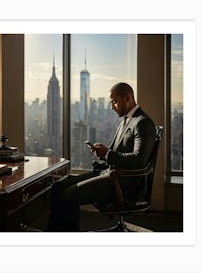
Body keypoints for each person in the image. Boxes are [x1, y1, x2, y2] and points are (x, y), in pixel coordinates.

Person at [46, 82, 156, 232]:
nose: (112, 107)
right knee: (58, 187)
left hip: (123, 182)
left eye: (115, 102)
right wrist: (103, 153)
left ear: (128, 98)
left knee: (67, 196)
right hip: (109, 174)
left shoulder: (143, 123)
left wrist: (108, 154)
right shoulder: (125, 120)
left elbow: (139, 160)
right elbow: (116, 153)